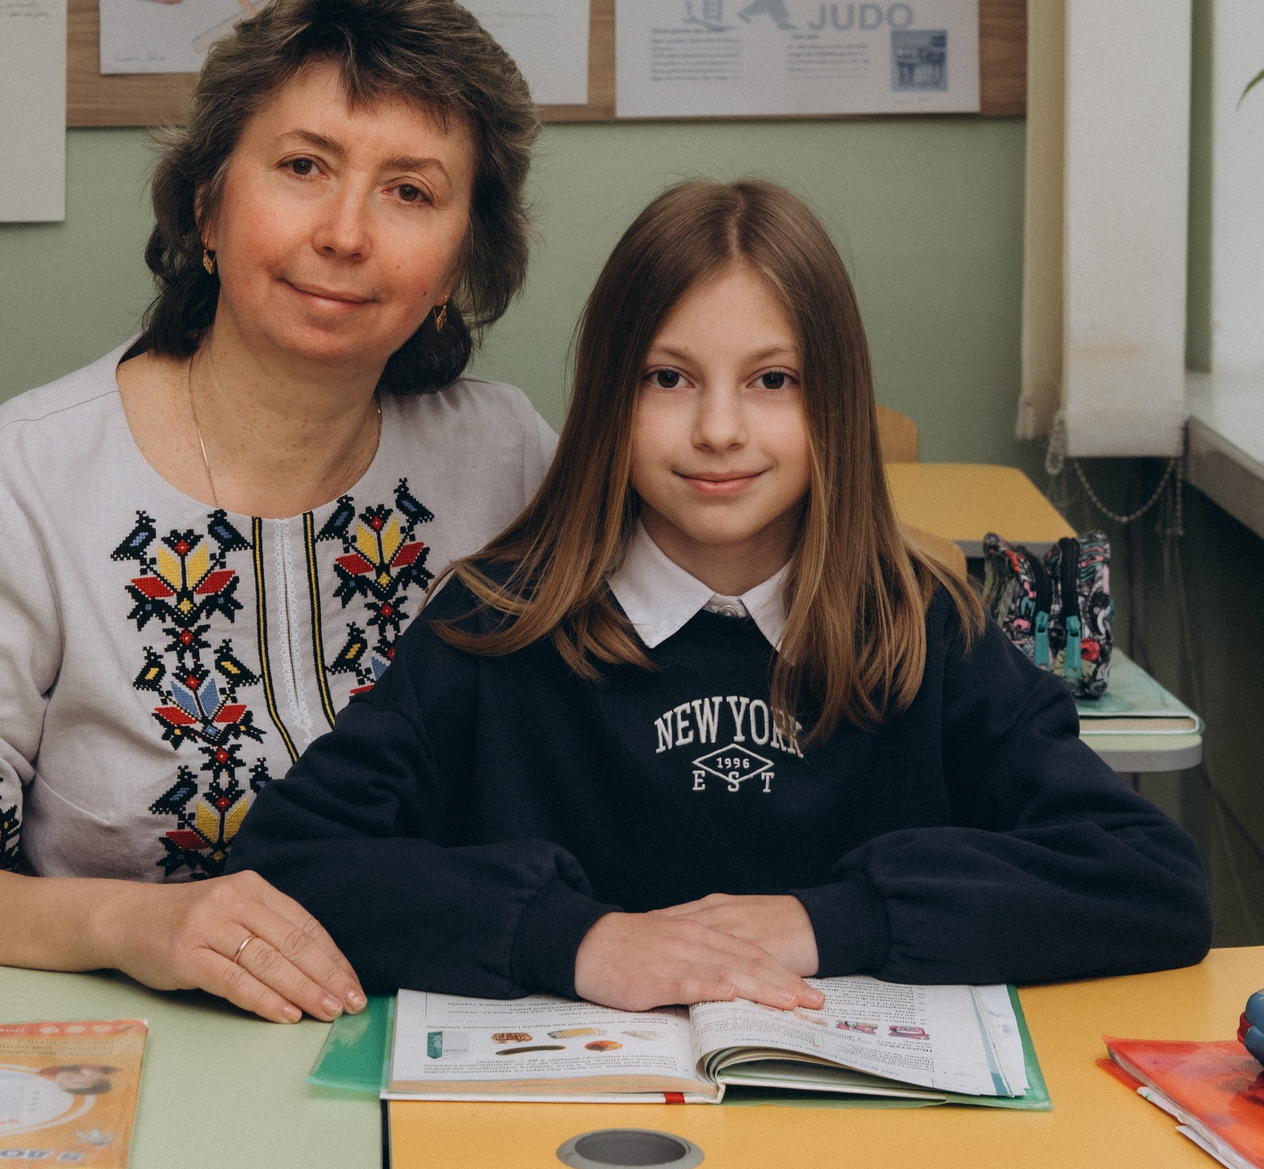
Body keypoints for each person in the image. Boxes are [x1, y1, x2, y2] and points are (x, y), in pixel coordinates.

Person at [229, 179, 1212, 1008]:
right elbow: (287, 864)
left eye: (772, 380)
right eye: (668, 378)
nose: (718, 429)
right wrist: (577, 941)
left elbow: (1148, 879)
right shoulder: (494, 629)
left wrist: (827, 922)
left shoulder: (926, 629)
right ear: (608, 399)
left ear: (832, 397)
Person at [0, 0, 554, 1029]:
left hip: (463, 1055)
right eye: (302, 167)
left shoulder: (511, 461)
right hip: (138, 1063)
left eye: (409, 191)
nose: (344, 233)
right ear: (207, 205)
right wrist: (132, 927)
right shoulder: (13, 487)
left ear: (456, 266)